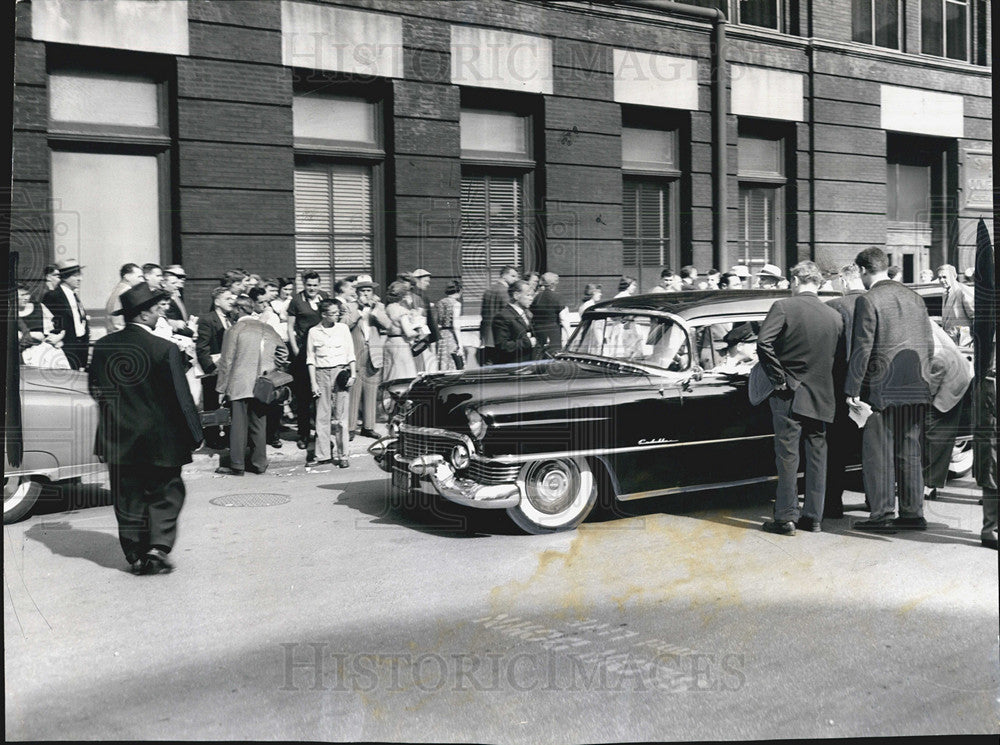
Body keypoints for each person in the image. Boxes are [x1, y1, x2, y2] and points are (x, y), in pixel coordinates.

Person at [88, 282, 203, 574]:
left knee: (128, 496)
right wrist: (195, 435)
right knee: (166, 491)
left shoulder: (102, 347)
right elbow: (182, 398)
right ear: (143, 314)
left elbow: (96, 390)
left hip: (119, 437)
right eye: (155, 308)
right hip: (160, 437)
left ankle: (136, 554)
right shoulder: (164, 348)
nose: (159, 313)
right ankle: (157, 546)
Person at [846, 246, 935, 531]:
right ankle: (912, 513)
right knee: (910, 449)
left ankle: (882, 514)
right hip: (916, 383)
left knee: (879, 452)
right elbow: (929, 344)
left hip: (881, 387)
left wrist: (852, 388)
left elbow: (863, 348)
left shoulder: (869, 299)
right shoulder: (915, 298)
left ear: (862, 270)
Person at [757, 261, 843, 535]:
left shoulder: (783, 307)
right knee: (817, 455)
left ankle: (785, 517)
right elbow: (838, 357)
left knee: (787, 456)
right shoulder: (834, 316)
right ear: (817, 283)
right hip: (822, 394)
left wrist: (779, 378)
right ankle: (813, 517)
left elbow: (763, 343)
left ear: (795, 281)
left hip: (789, 394)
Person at [214, 295, 288, 476]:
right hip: (263, 384)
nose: (231, 312)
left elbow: (227, 361)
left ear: (239, 310)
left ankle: (237, 465)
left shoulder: (234, 330)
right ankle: (259, 463)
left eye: (233, 309)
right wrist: (271, 367)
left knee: (238, 424)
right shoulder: (267, 328)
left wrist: (221, 388)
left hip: (240, 383)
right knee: (259, 423)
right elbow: (283, 352)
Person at [823, 264, 867, 518]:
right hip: (870, 387)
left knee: (836, 448)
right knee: (871, 447)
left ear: (842, 280)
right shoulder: (875, 303)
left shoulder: (833, 308)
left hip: (838, 386)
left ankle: (833, 504)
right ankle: (876, 501)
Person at [922, 322, 973, 501]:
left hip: (948, 385)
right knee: (936, 438)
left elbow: (932, 382)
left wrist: (926, 400)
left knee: (934, 436)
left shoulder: (932, 346)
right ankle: (930, 482)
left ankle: (928, 485)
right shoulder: (925, 322)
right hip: (956, 375)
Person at [307, 299, 356, 467]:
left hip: (340, 373)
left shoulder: (343, 329)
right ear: (323, 315)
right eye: (333, 313)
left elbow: (351, 353)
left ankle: (343, 455)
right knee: (322, 416)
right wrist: (313, 383)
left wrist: (353, 375)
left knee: (341, 417)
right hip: (321, 374)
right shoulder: (313, 332)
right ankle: (322, 455)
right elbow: (310, 359)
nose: (337, 316)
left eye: (338, 313)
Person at [287, 271, 332, 449]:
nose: (312, 288)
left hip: (323, 352)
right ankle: (303, 434)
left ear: (319, 285)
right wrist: (296, 350)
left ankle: (322, 435)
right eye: (309, 285)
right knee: (304, 396)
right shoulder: (296, 301)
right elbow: (290, 328)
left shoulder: (325, 297)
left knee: (322, 395)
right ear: (304, 285)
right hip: (304, 352)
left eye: (315, 285)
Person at [196, 286, 237, 449]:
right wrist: (210, 368)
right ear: (217, 301)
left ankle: (227, 436)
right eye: (228, 299)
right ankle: (212, 438)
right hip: (214, 369)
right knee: (212, 403)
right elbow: (202, 347)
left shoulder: (232, 318)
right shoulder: (207, 319)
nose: (232, 302)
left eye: (232, 298)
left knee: (228, 403)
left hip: (229, 369)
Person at [355, 279, 390, 437]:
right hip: (356, 351)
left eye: (368, 290)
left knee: (371, 390)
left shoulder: (380, 307)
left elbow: (388, 325)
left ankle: (368, 427)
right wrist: (358, 311)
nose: (366, 294)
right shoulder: (350, 306)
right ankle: (350, 427)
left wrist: (375, 310)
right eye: (362, 291)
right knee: (354, 391)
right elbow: (344, 324)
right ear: (357, 293)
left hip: (373, 351)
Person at [42, 258, 90, 370]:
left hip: (80, 349)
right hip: (64, 351)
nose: (80, 279)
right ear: (65, 277)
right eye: (76, 276)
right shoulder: (53, 297)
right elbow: (49, 324)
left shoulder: (74, 295)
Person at [479, 265, 520, 365]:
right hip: (500, 335)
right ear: (504, 276)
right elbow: (508, 314)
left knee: (489, 363)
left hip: (487, 334)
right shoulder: (506, 292)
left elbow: (483, 313)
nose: (516, 279)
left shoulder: (488, 290)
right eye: (513, 276)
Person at [492, 279, 538, 364]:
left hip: (529, 365)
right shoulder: (502, 316)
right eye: (528, 295)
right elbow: (502, 346)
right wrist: (527, 342)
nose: (531, 299)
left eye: (532, 296)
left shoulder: (527, 314)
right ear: (516, 295)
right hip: (514, 367)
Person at [383, 280, 420, 381]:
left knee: (390, 372)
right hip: (400, 344)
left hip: (389, 342)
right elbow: (408, 333)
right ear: (403, 295)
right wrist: (418, 332)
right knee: (403, 373)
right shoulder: (402, 311)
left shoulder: (387, 308)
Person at [531, 272, 570, 354]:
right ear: (553, 284)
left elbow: (531, 314)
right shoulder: (557, 297)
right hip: (553, 333)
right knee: (554, 355)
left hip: (538, 332)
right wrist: (569, 335)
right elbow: (564, 319)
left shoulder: (536, 297)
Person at [937, 263, 974, 345]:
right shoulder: (944, 294)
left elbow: (974, 317)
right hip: (950, 340)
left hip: (964, 340)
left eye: (944, 277)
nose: (942, 280)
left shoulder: (963, 290)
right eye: (939, 278)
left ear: (954, 276)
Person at [410, 269, 438, 373]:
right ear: (417, 280)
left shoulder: (419, 295)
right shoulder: (418, 296)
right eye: (426, 281)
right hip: (421, 337)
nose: (428, 284)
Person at [105, 263, 144, 333]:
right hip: (124, 335)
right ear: (127, 277)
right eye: (139, 277)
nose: (142, 280)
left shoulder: (115, 291)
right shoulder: (127, 292)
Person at [435, 281, 464, 371]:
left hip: (441, 335)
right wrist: (460, 343)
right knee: (455, 362)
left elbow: (437, 322)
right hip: (451, 335)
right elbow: (456, 325)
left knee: (443, 361)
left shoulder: (440, 302)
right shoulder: (456, 304)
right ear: (459, 291)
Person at [162, 265, 192, 333]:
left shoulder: (177, 294)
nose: (183, 279)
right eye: (179, 276)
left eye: (184, 276)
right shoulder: (163, 298)